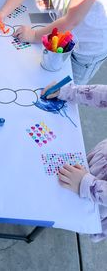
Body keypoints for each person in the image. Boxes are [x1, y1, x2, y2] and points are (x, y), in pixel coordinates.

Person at [0, 0, 107, 84]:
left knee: (68, 86)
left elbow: (71, 21)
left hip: (87, 47)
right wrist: (2, 13)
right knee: (46, 79)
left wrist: (34, 35)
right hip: (60, 31)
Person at [41, 82, 107, 242]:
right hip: (99, 164)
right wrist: (70, 91)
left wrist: (87, 184)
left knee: (76, 211)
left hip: (99, 196)